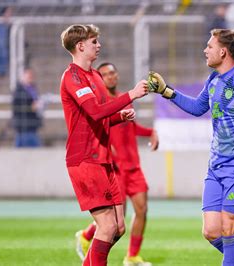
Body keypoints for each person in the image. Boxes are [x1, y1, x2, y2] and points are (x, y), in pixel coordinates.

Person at [148, 29, 234, 265]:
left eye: (209, 46)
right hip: (215, 167)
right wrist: (166, 91)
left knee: (229, 229)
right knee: (212, 231)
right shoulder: (214, 79)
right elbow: (197, 107)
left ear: (223, 52)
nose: (205, 50)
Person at [59, 24, 148, 266]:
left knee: (118, 227)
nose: (99, 46)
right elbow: (94, 112)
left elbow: (98, 116)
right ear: (80, 46)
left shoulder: (95, 76)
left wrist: (120, 117)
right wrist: (130, 95)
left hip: (104, 159)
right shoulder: (72, 77)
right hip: (85, 159)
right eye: (94, 42)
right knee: (107, 227)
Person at [75, 62, 159, 266]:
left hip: (133, 167)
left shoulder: (123, 100)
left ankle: (132, 256)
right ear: (99, 80)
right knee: (113, 221)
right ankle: (87, 236)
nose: (111, 76)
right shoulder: (101, 104)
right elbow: (96, 131)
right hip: (115, 169)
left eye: (113, 72)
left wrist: (150, 132)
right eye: (105, 74)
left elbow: (129, 128)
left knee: (142, 209)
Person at [11, 68, 43, 147]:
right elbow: (17, 106)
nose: (30, 77)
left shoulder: (33, 89)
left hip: (31, 125)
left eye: (31, 75)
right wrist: (31, 107)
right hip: (23, 125)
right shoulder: (19, 91)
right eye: (28, 75)